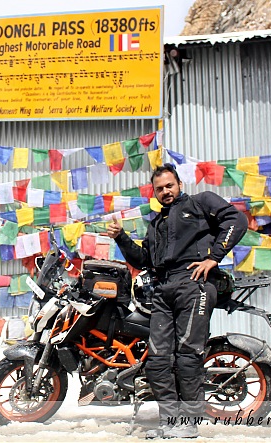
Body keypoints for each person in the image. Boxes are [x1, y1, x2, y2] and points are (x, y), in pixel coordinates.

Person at [106, 164, 247, 439]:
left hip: (194, 284)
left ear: (179, 184)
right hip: (162, 289)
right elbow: (142, 260)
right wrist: (121, 238)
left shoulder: (200, 203)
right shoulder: (156, 222)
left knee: (187, 357)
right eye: (159, 188)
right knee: (158, 360)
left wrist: (213, 258)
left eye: (169, 185)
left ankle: (188, 422)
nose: (165, 191)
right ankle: (169, 422)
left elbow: (236, 221)